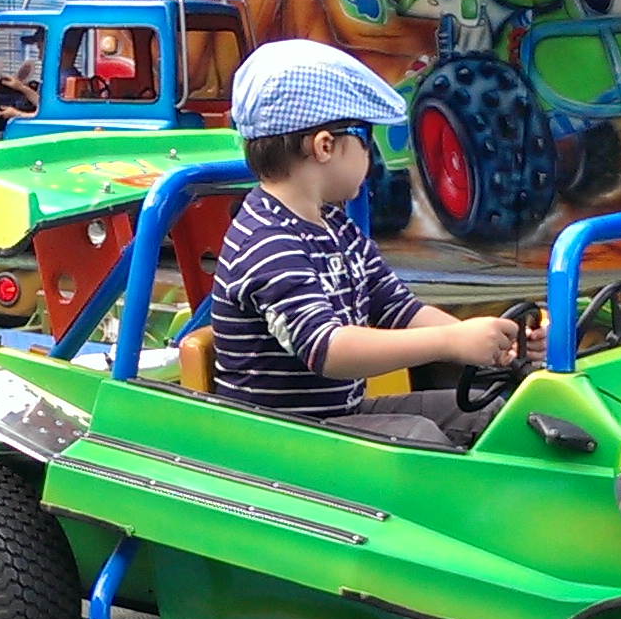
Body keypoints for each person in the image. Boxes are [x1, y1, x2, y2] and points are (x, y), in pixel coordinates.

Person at [209, 39, 533, 448]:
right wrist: (450, 342)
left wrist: (489, 343)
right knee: (417, 440)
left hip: (334, 420)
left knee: (487, 415)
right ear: (325, 146)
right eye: (366, 137)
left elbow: (397, 308)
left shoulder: (335, 226)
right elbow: (328, 350)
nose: (371, 153)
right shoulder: (267, 242)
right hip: (277, 440)